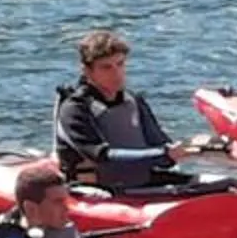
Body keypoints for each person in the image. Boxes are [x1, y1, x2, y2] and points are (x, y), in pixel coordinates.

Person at [54, 28, 206, 195]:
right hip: (97, 191)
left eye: (120, 64)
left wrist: (189, 149)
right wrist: (162, 154)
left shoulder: (133, 101)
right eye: (106, 67)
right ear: (88, 71)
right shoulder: (75, 109)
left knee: (226, 185)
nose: (116, 73)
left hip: (140, 184)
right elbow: (103, 157)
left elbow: (161, 146)